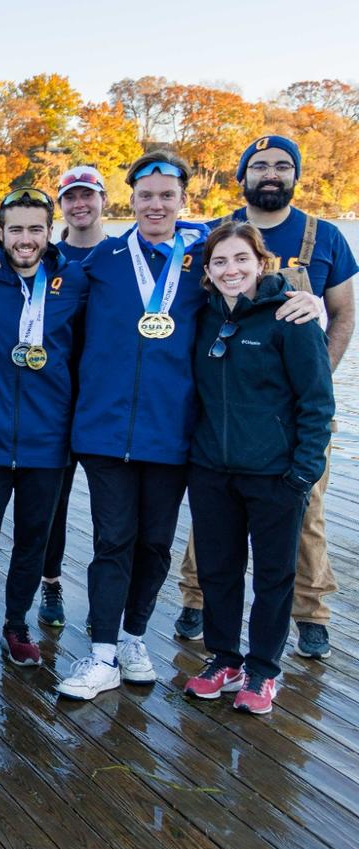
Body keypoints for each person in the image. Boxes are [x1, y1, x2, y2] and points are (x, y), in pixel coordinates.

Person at [56, 150, 320, 699]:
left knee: (155, 545)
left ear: (182, 200)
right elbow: (42, 292)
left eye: (167, 196)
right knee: (113, 541)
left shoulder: (201, 257)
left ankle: (134, 639)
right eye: (146, 196)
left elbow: (249, 285)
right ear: (131, 200)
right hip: (105, 432)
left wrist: (306, 300)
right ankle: (102, 652)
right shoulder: (102, 259)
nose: (156, 205)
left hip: (174, 434)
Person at [175, 135, 355, 659]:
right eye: (259, 166)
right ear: (243, 176)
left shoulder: (325, 235)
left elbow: (342, 312)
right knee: (213, 521)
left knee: (306, 511)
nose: (270, 173)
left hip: (293, 406)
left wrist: (313, 376)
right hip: (225, 411)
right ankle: (196, 598)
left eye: (281, 165)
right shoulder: (210, 234)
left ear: (295, 175)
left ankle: (311, 611)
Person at [182, 223, 333, 714]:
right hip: (211, 471)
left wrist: (303, 473)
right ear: (207, 271)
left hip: (275, 475)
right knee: (218, 571)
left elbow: (317, 402)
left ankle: (264, 668)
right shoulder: (201, 317)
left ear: (260, 262)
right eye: (220, 262)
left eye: (241, 259)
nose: (232, 270)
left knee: (273, 575)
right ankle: (224, 659)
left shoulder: (291, 317)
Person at [0, 189, 88, 666]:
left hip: (48, 439)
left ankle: (17, 624)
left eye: (35, 229)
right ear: (0, 233)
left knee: (33, 537)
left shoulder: (74, 280)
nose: (26, 239)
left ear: (50, 233)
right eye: (16, 229)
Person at [40, 164, 110, 629]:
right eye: (70, 197)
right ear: (61, 206)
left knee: (110, 509)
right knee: (55, 503)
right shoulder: (48, 256)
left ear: (104, 200)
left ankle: (108, 595)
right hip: (57, 397)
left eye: (88, 195)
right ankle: (51, 582)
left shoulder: (122, 253)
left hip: (105, 397)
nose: (80, 204)